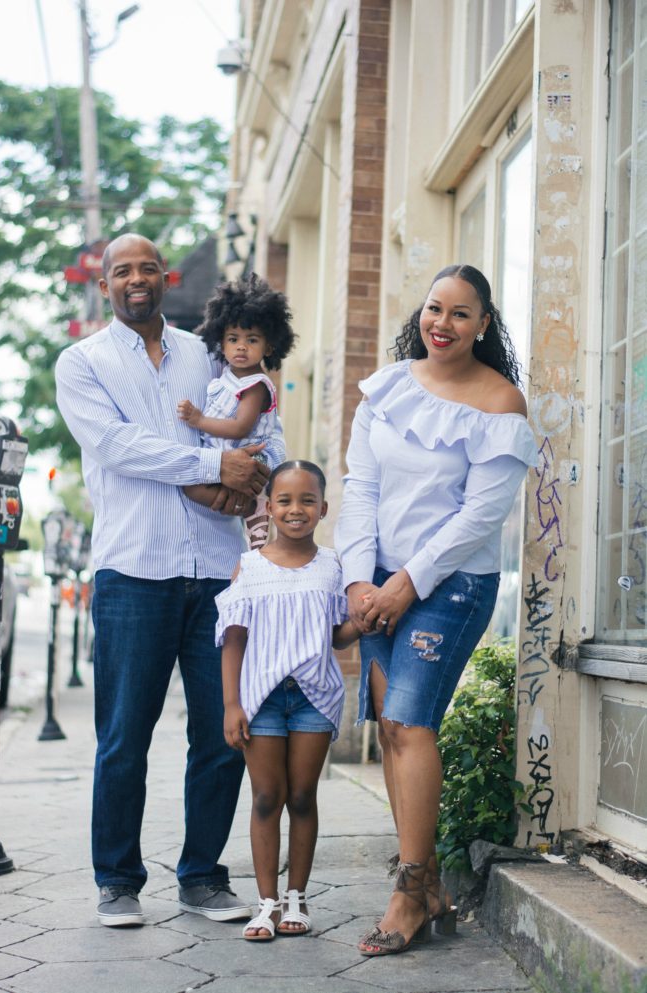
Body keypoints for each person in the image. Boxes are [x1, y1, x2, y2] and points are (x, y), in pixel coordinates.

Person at [55, 233, 286, 928]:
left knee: (223, 732)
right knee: (125, 733)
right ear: (104, 284)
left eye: (146, 268)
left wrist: (256, 474)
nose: (135, 279)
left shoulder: (204, 352)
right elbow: (121, 448)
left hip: (218, 570)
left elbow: (246, 431)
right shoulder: (82, 362)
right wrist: (217, 469)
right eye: (121, 270)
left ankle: (202, 877)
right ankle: (118, 880)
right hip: (134, 569)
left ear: (166, 277)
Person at [335, 264, 538, 956]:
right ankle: (430, 889)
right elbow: (359, 486)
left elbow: (478, 519)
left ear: (484, 324)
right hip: (382, 582)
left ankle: (410, 888)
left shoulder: (500, 402)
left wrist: (404, 586)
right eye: (434, 309)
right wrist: (360, 580)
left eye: (460, 313)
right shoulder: (387, 388)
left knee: (406, 720)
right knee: (391, 731)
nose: (442, 324)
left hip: (451, 585)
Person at [216, 460, 360, 941]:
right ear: (270, 508)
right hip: (262, 700)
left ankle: (297, 895)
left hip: (314, 698)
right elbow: (233, 640)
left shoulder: (334, 566)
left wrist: (363, 617)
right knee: (265, 797)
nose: (295, 509)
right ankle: (266, 903)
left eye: (306, 501)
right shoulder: (250, 566)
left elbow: (338, 637)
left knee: (301, 796)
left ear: (322, 509)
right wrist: (231, 704)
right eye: (284, 501)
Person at [177, 273, 295, 549]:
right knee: (194, 489)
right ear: (221, 341)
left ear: (269, 346)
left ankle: (260, 541)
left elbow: (241, 427)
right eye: (233, 338)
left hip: (255, 459)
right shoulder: (225, 377)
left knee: (253, 514)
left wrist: (199, 420)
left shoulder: (256, 386)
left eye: (252, 340)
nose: (241, 346)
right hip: (228, 457)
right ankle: (253, 529)